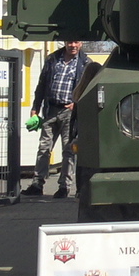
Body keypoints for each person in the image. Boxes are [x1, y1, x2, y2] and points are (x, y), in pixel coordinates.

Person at [24, 39, 90, 198]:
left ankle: (64, 187)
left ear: (81, 44)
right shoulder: (52, 59)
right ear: (65, 43)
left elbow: (89, 88)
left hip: (70, 113)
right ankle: (37, 184)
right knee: (44, 148)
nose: (73, 45)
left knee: (69, 151)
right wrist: (35, 108)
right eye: (70, 42)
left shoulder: (86, 63)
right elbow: (41, 85)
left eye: (76, 42)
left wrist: (77, 104)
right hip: (51, 110)